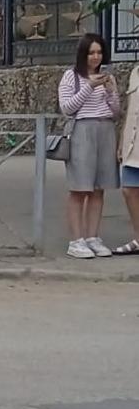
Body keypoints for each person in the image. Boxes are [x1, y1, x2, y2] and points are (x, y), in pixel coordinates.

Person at [58, 33, 122, 259]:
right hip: (82, 130)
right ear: (83, 54)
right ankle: (76, 240)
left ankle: (93, 236)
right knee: (79, 188)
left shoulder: (106, 77)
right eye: (91, 53)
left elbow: (115, 112)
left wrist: (112, 92)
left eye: (99, 52)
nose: (95, 57)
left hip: (105, 129)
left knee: (98, 188)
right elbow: (67, 108)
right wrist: (88, 87)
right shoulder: (71, 77)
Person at [116, 66, 139, 256]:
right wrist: (122, 140)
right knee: (129, 190)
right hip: (133, 144)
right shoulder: (135, 72)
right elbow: (129, 109)